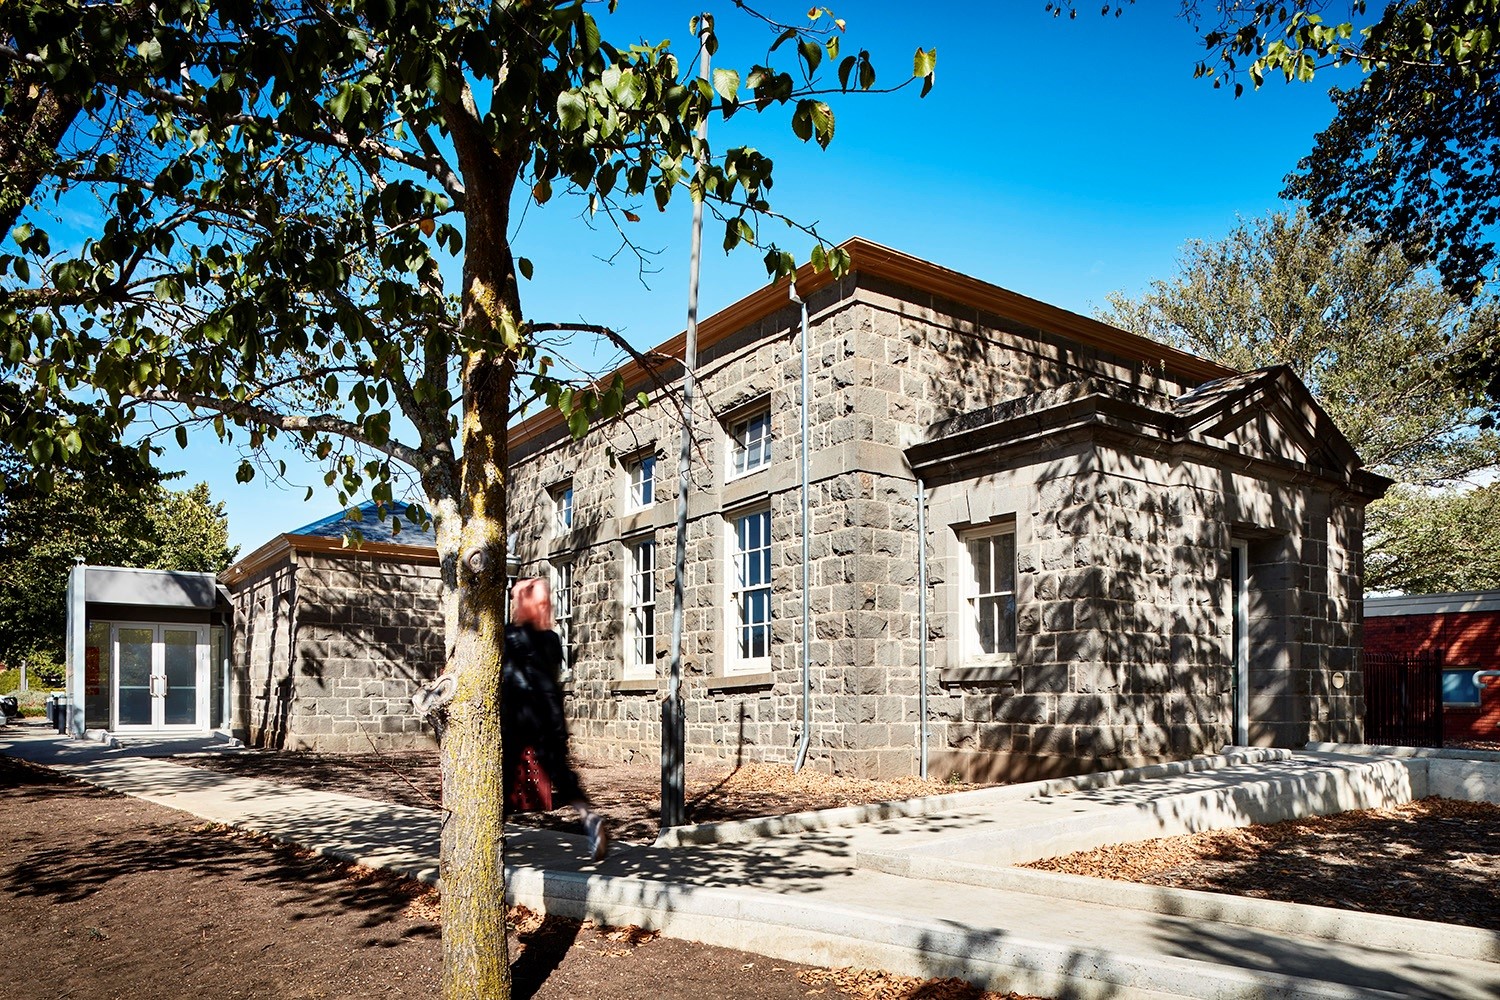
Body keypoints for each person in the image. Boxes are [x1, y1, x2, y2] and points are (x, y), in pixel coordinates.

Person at [503, 576, 609, 861]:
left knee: (502, 773)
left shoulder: (510, 637)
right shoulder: (551, 639)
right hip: (550, 716)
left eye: (517, 599)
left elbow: (509, 677)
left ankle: (494, 833)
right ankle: (589, 819)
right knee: (561, 772)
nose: (514, 604)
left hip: (518, 716)